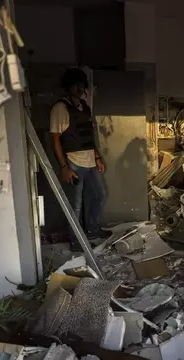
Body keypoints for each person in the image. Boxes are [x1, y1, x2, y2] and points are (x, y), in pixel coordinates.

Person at [50, 68, 110, 241]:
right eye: (76, 84)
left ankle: (91, 229)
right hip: (74, 163)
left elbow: (89, 137)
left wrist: (97, 157)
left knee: (100, 195)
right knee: (75, 205)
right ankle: (76, 241)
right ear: (67, 86)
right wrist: (64, 168)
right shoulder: (60, 108)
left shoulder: (84, 107)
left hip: (90, 162)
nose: (79, 87)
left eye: (81, 84)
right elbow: (55, 141)